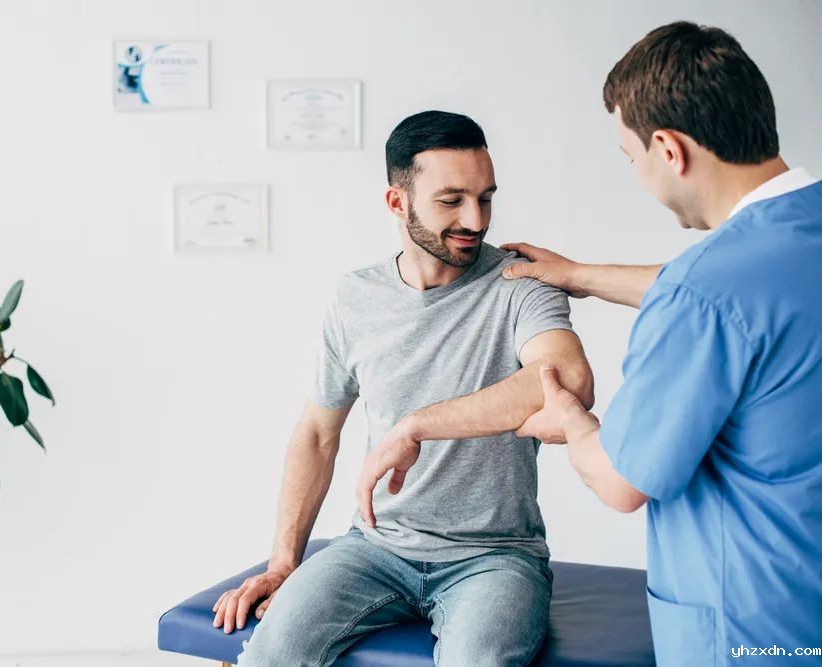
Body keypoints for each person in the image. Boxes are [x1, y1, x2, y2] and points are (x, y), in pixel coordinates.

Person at [368, 22, 822, 666]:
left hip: (754, 628)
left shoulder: (703, 294)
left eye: (631, 158)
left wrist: (572, 423)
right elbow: (748, 287)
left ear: (669, 149)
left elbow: (620, 480)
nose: (639, 177)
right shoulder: (791, 243)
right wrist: (580, 275)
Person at [213, 110, 594, 666]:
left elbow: (567, 379)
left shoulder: (520, 283)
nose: (475, 219)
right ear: (398, 202)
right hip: (375, 548)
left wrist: (417, 425)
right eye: (451, 200)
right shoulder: (355, 298)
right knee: (270, 654)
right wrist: (282, 563)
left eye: (485, 198)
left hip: (494, 557)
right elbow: (317, 433)